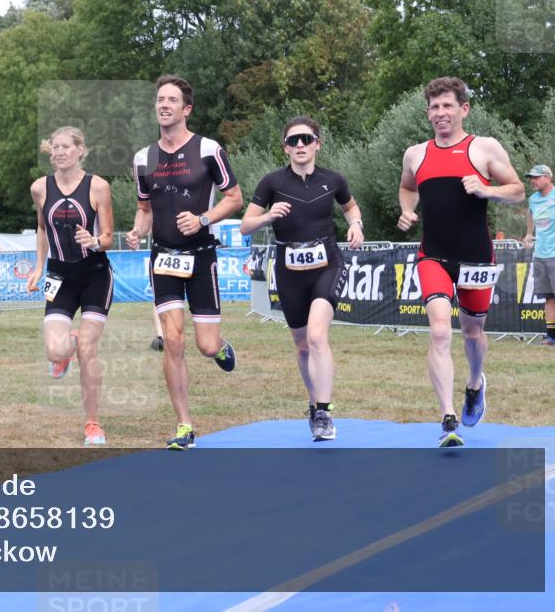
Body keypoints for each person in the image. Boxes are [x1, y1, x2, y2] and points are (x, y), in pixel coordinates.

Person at [397, 76, 524, 447]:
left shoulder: (484, 148)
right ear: (428, 113)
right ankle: (447, 416)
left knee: (472, 334)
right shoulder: (415, 153)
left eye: (448, 106)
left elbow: (516, 190)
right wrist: (408, 211)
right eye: (435, 107)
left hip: (475, 258)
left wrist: (487, 190)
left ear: (463, 109)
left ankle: (474, 383)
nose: (441, 113)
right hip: (432, 254)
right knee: (439, 330)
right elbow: (407, 187)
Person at [126, 75, 244, 450]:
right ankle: (184, 426)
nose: (164, 105)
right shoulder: (143, 158)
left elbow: (235, 198)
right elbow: (144, 209)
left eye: (172, 100)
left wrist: (203, 219)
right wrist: (136, 231)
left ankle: (222, 347)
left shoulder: (208, 150)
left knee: (205, 345)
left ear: (186, 108)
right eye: (160, 99)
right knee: (173, 341)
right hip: (162, 258)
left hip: (200, 256)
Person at [240, 116, 364, 441]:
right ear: (285, 147)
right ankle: (313, 405)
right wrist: (267, 215)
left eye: (306, 139)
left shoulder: (333, 179)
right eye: (293, 141)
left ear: (317, 144)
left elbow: (351, 208)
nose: (299, 145)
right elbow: (245, 225)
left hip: (328, 264)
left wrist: (356, 225)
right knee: (301, 344)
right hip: (288, 269)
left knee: (318, 336)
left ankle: (323, 411)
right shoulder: (271, 183)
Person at [26, 126, 115, 446]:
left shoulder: (98, 187)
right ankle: (67, 347)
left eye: (66, 147)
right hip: (58, 277)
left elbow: (107, 237)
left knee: (89, 350)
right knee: (55, 350)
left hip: (95, 275)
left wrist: (93, 241)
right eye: (55, 148)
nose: (59, 152)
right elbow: (41, 227)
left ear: (81, 150)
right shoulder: (40, 188)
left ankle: (92, 424)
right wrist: (38, 266)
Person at [523, 164, 555, 345]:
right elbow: (530, 214)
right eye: (531, 177)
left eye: (536, 177)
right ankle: (551, 337)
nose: (533, 180)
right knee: (548, 296)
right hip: (540, 254)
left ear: (548, 178)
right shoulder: (533, 199)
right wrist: (529, 233)